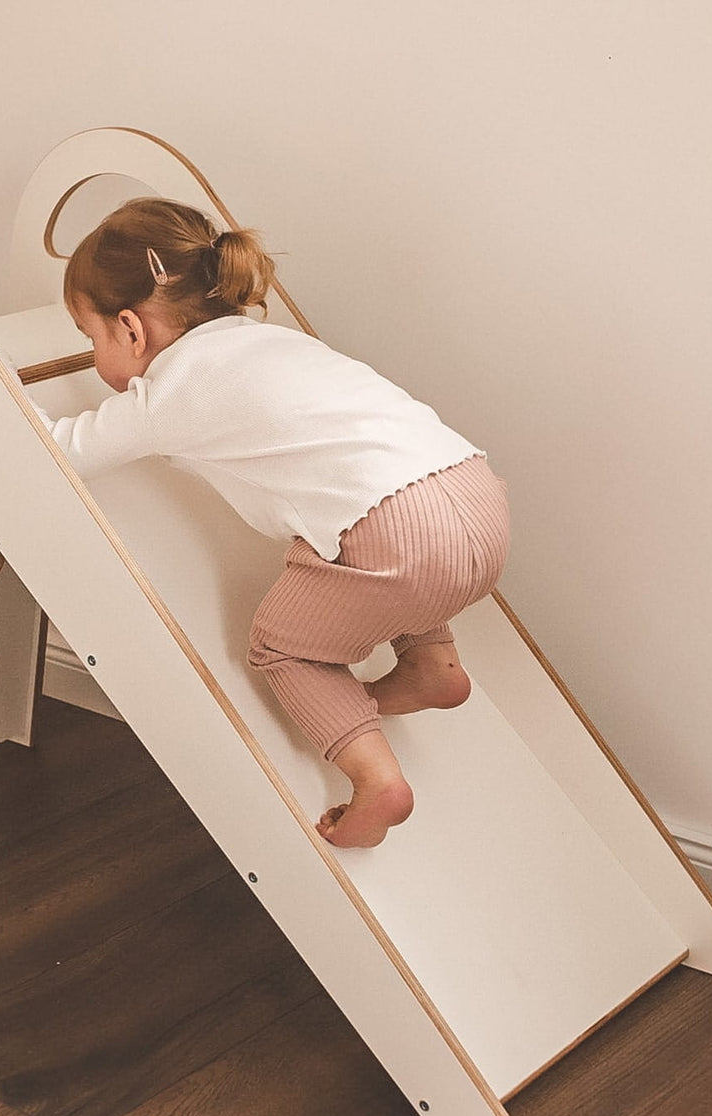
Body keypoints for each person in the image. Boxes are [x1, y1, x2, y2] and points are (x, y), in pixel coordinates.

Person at [36, 198, 509, 848]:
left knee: (284, 645)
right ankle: (433, 661)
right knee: (395, 556)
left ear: (131, 329)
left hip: (393, 531)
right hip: (474, 495)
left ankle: (375, 780)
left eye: (90, 340)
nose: (94, 356)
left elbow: (60, 452)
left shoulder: (170, 392)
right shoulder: (275, 343)